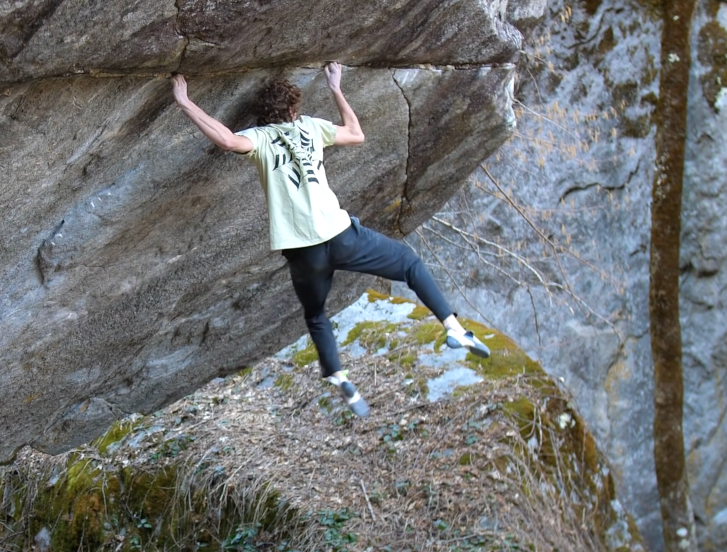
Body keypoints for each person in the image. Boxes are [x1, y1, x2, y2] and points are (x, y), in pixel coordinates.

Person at [170, 63, 488, 418]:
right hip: (340, 235)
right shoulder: (311, 127)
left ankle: (338, 376)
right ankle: (453, 327)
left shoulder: (259, 139)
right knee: (409, 264)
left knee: (317, 315)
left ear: (264, 116)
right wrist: (335, 87)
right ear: (293, 110)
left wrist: (185, 102)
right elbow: (356, 133)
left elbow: (227, 139)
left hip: (302, 251)